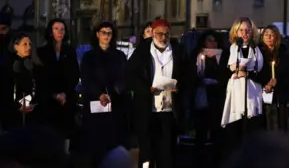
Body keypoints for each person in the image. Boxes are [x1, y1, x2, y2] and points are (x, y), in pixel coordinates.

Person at [127, 19, 187, 168]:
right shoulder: (142, 51)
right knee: (147, 154)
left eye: (166, 34)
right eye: (160, 34)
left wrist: (179, 86)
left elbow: (188, 75)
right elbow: (130, 76)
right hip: (148, 110)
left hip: (168, 111)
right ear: (153, 34)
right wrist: (147, 89)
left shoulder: (177, 51)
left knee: (167, 154)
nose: (163, 37)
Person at [80, 21, 129, 166]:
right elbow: (86, 78)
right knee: (96, 143)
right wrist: (99, 94)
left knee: (113, 141)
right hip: (95, 104)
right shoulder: (89, 56)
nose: (106, 36)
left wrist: (113, 93)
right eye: (103, 33)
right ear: (97, 35)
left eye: (109, 33)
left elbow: (124, 77)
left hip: (115, 103)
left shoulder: (119, 55)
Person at [222, 17, 267, 156]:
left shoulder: (256, 49)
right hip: (237, 91)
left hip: (252, 90)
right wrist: (239, 68)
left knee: (252, 128)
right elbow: (230, 66)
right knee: (236, 129)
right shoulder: (234, 47)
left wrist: (245, 72)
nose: (245, 33)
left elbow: (259, 68)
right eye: (241, 30)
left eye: (248, 30)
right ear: (236, 32)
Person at [37, 18, 80, 152]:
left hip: (66, 99)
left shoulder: (70, 51)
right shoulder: (42, 52)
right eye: (56, 29)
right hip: (48, 99)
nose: (60, 32)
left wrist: (64, 93)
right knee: (49, 132)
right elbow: (41, 76)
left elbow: (74, 74)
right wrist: (54, 94)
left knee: (66, 131)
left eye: (62, 29)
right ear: (50, 31)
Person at [189, 29, 230, 167]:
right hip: (202, 101)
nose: (212, 43)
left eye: (214, 40)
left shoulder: (223, 56)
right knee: (200, 136)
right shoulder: (197, 55)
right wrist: (199, 78)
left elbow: (226, 74)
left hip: (217, 101)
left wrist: (217, 82)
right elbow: (190, 76)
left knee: (218, 136)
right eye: (209, 40)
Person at [0, 32, 46, 131]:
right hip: (12, 114)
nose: (28, 47)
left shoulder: (35, 65)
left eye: (30, 44)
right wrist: (16, 106)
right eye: (24, 44)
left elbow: (41, 86)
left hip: (33, 112)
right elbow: (5, 90)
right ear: (15, 46)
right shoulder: (7, 66)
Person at [258, 25, 289, 132]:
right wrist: (266, 84)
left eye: (272, 35)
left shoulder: (284, 54)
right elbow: (256, 73)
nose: (269, 37)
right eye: (266, 35)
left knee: (280, 126)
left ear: (277, 37)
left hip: (281, 97)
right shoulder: (258, 53)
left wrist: (277, 82)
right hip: (263, 96)